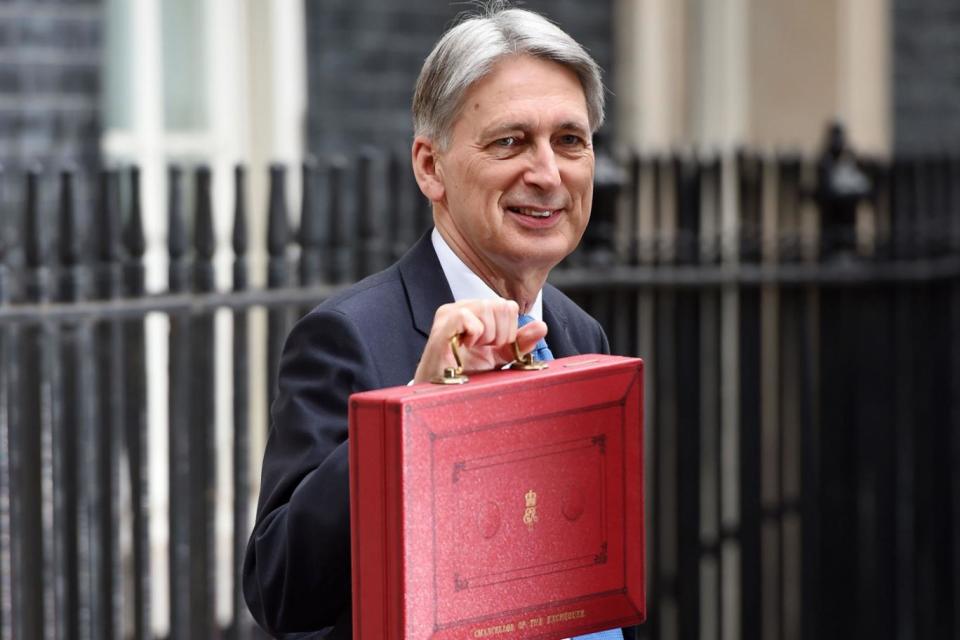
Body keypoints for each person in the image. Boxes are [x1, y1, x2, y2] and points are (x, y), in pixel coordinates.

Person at [244, 4, 633, 639]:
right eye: (510, 141)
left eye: (570, 141)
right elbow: (279, 591)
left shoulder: (578, 332)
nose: (546, 173)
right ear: (431, 167)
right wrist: (416, 415)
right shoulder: (348, 336)